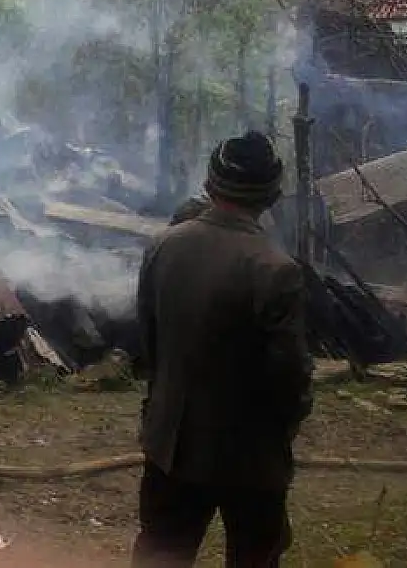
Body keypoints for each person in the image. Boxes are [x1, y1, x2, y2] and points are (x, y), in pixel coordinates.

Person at [132, 130, 313, 568]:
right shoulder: (276, 270)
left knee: (161, 556)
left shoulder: (163, 246)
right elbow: (290, 379)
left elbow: (148, 345)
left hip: (171, 445)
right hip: (249, 457)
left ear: (210, 184)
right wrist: (284, 430)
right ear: (271, 195)